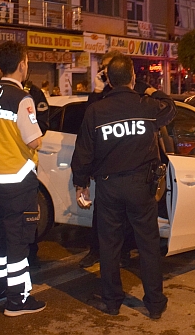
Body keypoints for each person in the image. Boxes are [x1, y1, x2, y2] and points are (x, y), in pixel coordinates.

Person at [71, 54, 175, 319]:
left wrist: (80, 183)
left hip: (109, 187)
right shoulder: (146, 106)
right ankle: (154, 303)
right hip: (141, 186)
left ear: (108, 80)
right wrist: (147, 87)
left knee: (109, 246)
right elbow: (169, 106)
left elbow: (83, 151)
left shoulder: (96, 111)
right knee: (148, 245)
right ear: (132, 77)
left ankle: (112, 300)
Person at [0, 41, 46, 316]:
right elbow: (34, 140)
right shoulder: (22, 99)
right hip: (18, 181)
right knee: (18, 241)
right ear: (22, 65)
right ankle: (18, 301)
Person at [78, 50, 151, 269]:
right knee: (101, 219)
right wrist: (98, 89)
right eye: (104, 68)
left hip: (132, 169)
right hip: (107, 173)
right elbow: (88, 121)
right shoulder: (102, 97)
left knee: (129, 220)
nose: (106, 72)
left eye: (110, 67)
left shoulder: (136, 90)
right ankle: (96, 251)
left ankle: (124, 252)